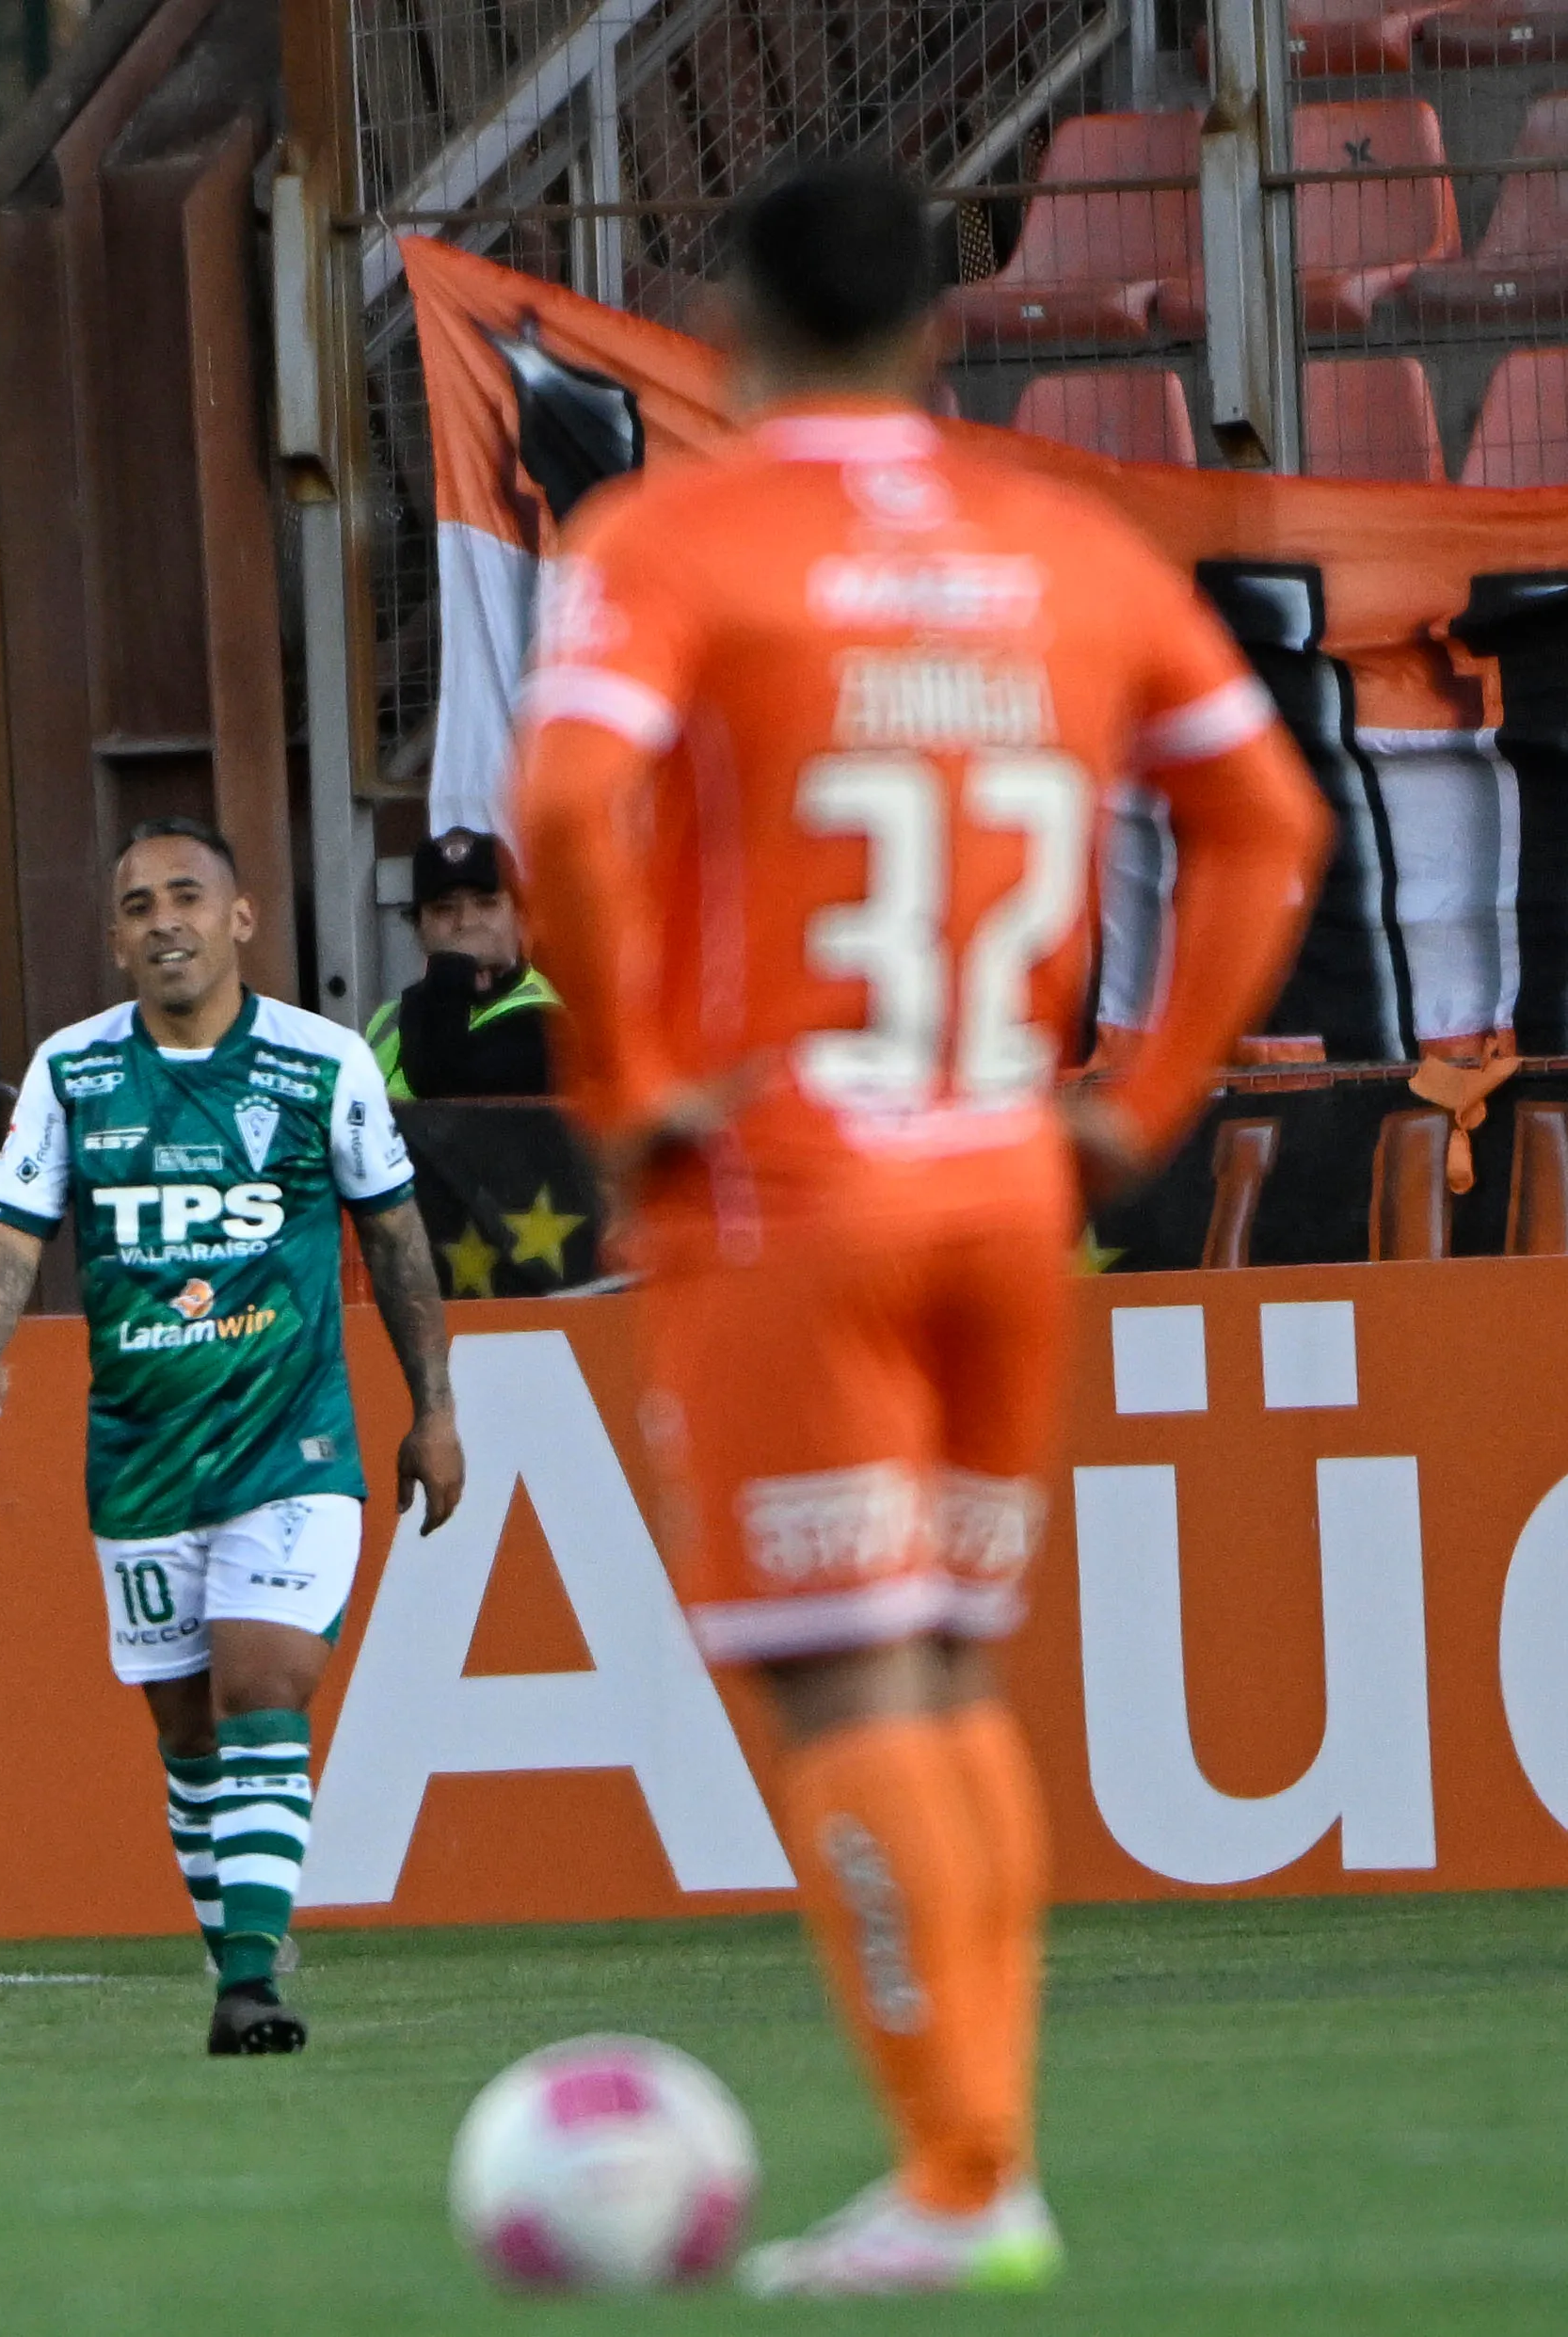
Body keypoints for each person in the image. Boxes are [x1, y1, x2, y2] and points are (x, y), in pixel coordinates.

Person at [507, 157, 1325, 2296]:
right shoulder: (1064, 538)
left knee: (845, 1677)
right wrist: (1134, 1101)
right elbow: (1268, 819)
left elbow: (565, 800)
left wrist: (624, 1080)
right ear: (939, 325)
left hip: (793, 1182)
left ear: (732, 323)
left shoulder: (674, 532)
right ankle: (984, 2158)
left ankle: (963, 2175)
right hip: (1000, 1171)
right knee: (948, 1663)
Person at [0, 816, 465, 2057]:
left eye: (187, 895)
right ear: (117, 938)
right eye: (136, 904)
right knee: (185, 1730)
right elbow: (14, 1228)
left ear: (241, 918)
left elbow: (394, 1238)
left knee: (262, 1677)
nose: (162, 919)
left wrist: (435, 1407)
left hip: (293, 1441)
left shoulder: (321, 1063)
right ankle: (240, 1921)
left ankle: (248, 1983)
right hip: (139, 1453)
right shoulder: (71, 1072)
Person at [364, 826, 556, 1100]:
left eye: (486, 904)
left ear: (521, 919)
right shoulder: (387, 1019)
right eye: (444, 909)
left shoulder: (545, 1023)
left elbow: (445, 1097)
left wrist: (452, 972)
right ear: (418, 928)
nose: (466, 923)